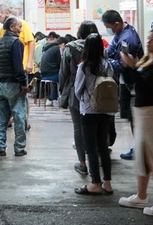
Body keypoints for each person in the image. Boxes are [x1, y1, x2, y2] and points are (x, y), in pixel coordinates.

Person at [118, 27, 153, 216]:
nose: (149, 42)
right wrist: (128, 66)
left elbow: (146, 83)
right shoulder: (147, 59)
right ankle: (141, 196)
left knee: (151, 155)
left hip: (151, 111)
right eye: (149, 39)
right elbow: (134, 81)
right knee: (141, 154)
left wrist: (132, 66)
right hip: (141, 109)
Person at [73, 33, 115, 195]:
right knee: (103, 147)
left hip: (89, 111)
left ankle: (95, 184)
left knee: (91, 149)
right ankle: (108, 183)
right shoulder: (107, 65)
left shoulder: (84, 67)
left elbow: (78, 90)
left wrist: (86, 101)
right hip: (107, 109)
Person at [59, 21, 99, 176]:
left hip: (76, 91)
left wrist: (62, 90)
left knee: (78, 127)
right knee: (95, 129)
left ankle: (82, 164)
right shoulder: (100, 46)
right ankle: (96, 161)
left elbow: (64, 72)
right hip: (96, 92)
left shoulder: (70, 47)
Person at [101, 10, 143, 160]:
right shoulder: (121, 34)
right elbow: (111, 52)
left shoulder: (129, 39)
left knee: (134, 117)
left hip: (133, 84)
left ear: (117, 24)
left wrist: (109, 62)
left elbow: (122, 64)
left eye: (109, 27)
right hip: (126, 82)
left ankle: (140, 148)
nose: (109, 30)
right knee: (131, 117)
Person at [0, 16, 29, 157]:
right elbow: (18, 67)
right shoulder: (16, 43)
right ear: (12, 27)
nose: (20, 29)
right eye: (19, 27)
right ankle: (19, 148)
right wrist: (24, 83)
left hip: (0, 84)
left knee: (1, 116)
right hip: (14, 84)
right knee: (19, 115)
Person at [38, 32, 62, 106]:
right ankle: (59, 98)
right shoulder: (56, 48)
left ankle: (52, 98)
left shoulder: (45, 48)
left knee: (56, 78)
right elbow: (60, 62)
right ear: (55, 39)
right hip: (52, 74)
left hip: (43, 74)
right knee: (65, 77)